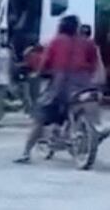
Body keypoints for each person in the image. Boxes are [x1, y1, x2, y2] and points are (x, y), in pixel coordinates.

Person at [14, 15, 96, 163]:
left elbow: (44, 63)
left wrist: (37, 74)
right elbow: (94, 64)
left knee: (40, 117)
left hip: (61, 85)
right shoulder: (87, 43)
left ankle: (26, 152)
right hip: (84, 85)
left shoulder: (56, 41)